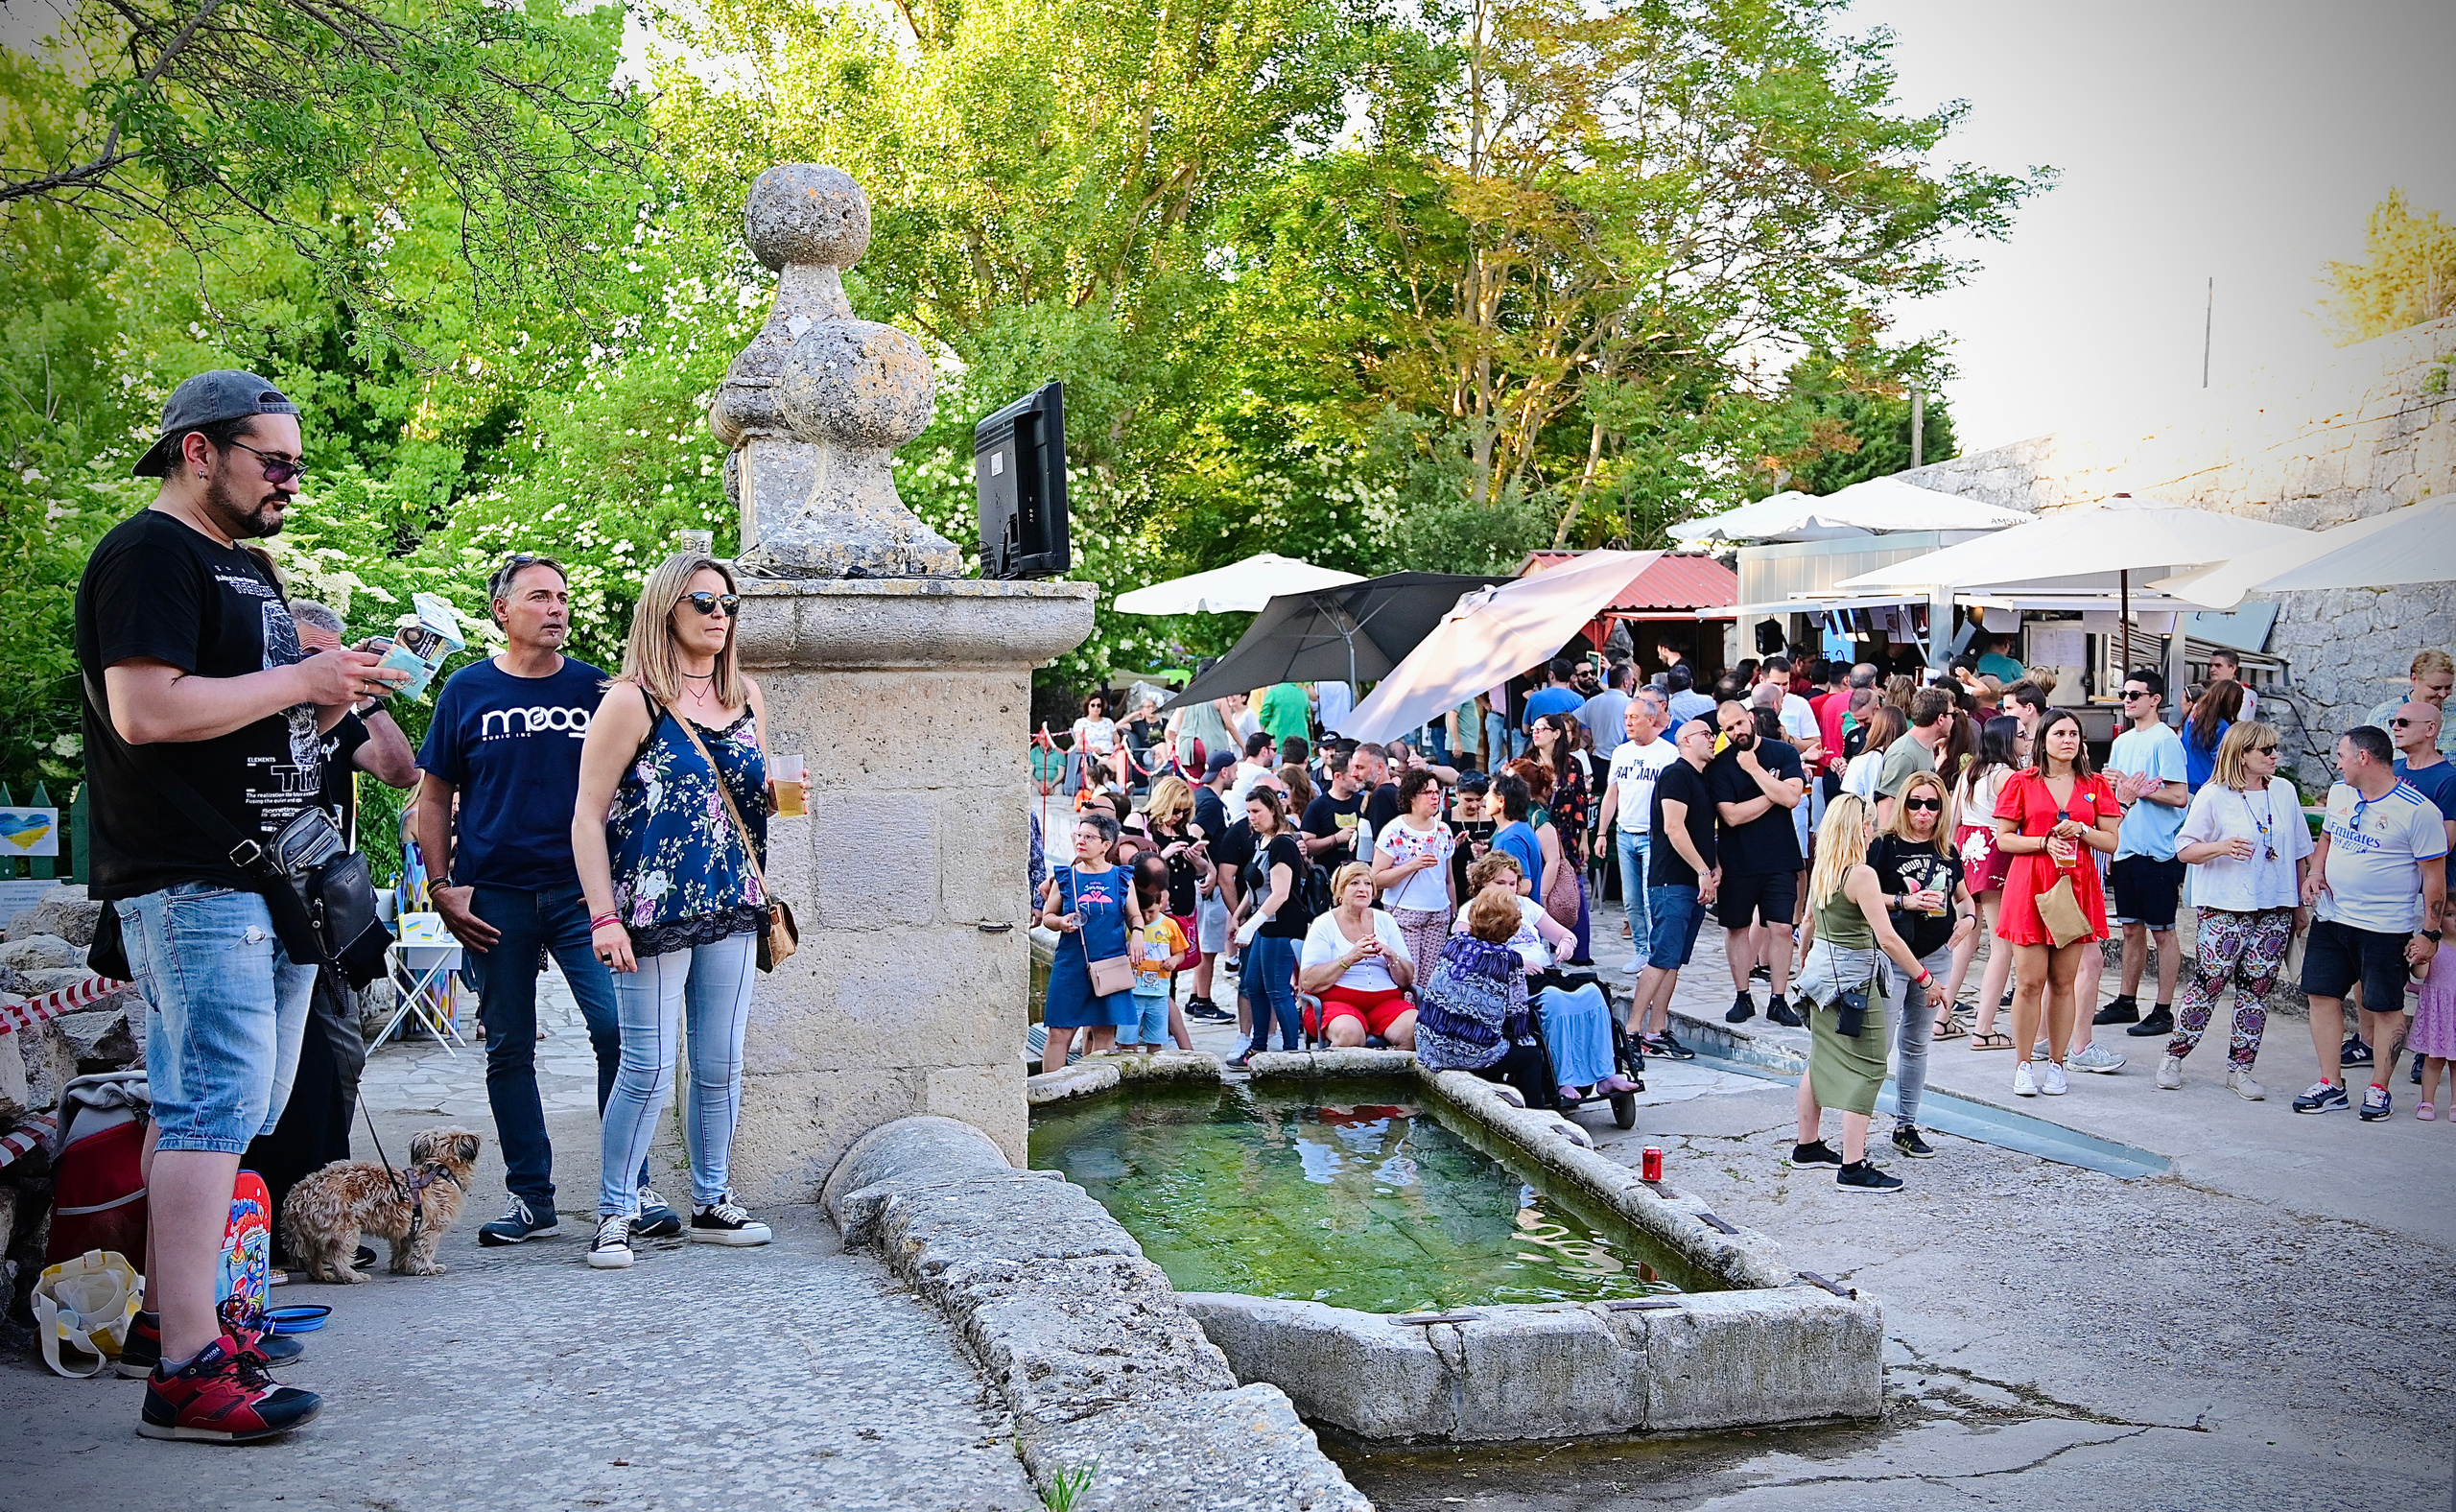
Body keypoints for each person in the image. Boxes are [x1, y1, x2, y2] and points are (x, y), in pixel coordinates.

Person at [78, 371, 407, 1439]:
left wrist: (340, 688)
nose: (290, 483)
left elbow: (262, 725)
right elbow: (145, 709)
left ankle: (194, 1315)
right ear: (197, 452)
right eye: (274, 461)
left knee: (234, 1112)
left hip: (277, 878)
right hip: (191, 876)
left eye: (297, 465)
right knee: (209, 1108)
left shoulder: (249, 569)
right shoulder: (148, 553)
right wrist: (300, 684)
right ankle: (183, 1367)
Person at [419, 553, 673, 1247]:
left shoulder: (599, 689)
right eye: (539, 597)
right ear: (503, 611)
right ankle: (532, 1199)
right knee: (510, 1047)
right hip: (494, 895)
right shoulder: (465, 691)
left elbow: (640, 789)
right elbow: (434, 796)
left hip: (582, 893)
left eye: (562, 596)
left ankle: (631, 1188)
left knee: (617, 1033)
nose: (557, 608)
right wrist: (440, 886)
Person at [571, 553, 795, 1267]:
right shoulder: (631, 700)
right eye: (704, 601)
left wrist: (782, 795)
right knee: (646, 1065)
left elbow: (757, 797)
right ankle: (616, 1211)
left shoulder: (748, 696)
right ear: (666, 607)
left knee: (721, 1060)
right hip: (653, 907)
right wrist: (603, 916)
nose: (719, 614)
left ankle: (711, 1198)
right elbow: (585, 814)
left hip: (733, 901)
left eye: (728, 604)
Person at [243, 600, 418, 1265]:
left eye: (334, 651)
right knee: (276, 1073)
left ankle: (328, 1212)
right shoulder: (263, 711)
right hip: (266, 905)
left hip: (329, 911)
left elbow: (403, 770)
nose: (326, 663)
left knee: (340, 1061)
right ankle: (282, 1221)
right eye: (313, 651)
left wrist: (366, 695)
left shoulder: (337, 716)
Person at [1787, 795, 1946, 1193]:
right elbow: (1888, 938)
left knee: (1820, 1059)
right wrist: (1925, 978)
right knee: (1870, 1065)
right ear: (1859, 828)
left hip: (1820, 978)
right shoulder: (1861, 874)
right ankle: (1853, 1165)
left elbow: (1807, 921)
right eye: (1870, 822)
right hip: (1854, 984)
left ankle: (1807, 1147)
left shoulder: (1824, 867)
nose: (1874, 829)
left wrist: (1804, 956)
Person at [2294, 725, 2448, 1119]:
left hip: (2384, 927)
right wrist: (2315, 874)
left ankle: (2379, 1087)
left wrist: (2430, 933)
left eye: (2342, 755)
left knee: (2385, 1006)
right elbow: (2327, 839)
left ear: (2364, 757)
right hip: (2332, 918)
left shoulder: (2418, 812)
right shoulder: (2342, 794)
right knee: (2321, 996)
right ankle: (2331, 1083)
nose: (2336, 763)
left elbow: (2434, 879)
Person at [2158, 721, 2312, 1099]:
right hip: (2226, 906)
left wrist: (2299, 905)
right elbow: (2184, 849)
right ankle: (2173, 1056)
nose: (2275, 755)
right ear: (2242, 755)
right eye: (2266, 750)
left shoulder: (2285, 792)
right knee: (2209, 984)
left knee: (2257, 991)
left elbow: (2299, 851)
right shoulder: (2213, 795)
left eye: (2275, 748)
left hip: (2274, 906)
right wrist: (2222, 847)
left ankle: (2240, 1069)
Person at [1992, 709, 2122, 1098]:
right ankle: (2023, 1063)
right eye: (2060, 733)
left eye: (2074, 734)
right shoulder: (2021, 782)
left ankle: (2058, 1064)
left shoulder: (2095, 784)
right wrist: (2043, 841)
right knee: (2029, 982)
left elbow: (2111, 841)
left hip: (2075, 885)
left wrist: (2082, 830)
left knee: (2063, 983)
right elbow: (2004, 839)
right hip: (2030, 884)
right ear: (2043, 740)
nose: (2068, 740)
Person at [1452, 854, 1633, 1104]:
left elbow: (1563, 934)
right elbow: (1464, 949)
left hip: (1543, 973)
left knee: (1593, 993)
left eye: (1512, 883)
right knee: (1555, 1000)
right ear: (1483, 883)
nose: (1508, 889)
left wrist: (1567, 944)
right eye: (1500, 883)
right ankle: (1564, 1077)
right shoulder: (1472, 910)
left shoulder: (1526, 906)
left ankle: (1607, 1074)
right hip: (1508, 979)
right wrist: (1512, 962)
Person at [1866, 770, 1974, 1160]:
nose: (1924, 812)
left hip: (1936, 953)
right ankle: (1857, 1125)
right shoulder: (1885, 847)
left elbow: (1964, 898)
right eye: (1916, 803)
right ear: (1903, 805)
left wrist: (1969, 920)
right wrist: (1903, 902)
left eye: (1933, 804)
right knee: (1877, 1043)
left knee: (1916, 1043)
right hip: (1895, 953)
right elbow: (1860, 892)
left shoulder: (1946, 849)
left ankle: (1905, 1124)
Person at [2099, 669, 2190, 1044]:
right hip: (2127, 844)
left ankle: (2165, 1008)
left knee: (2163, 931)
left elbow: (2180, 796)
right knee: (2132, 928)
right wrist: (2117, 789)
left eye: (2136, 694)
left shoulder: (2165, 741)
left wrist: (2138, 790)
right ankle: (2126, 999)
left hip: (2158, 849)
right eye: (2124, 693)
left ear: (2154, 699)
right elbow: (2118, 789)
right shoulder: (2123, 741)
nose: (2128, 699)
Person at [1709, 698, 1807, 1026]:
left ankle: (1778, 999)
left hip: (1780, 856)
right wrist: (1774, 793)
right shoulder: (1720, 766)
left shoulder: (1784, 753)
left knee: (1781, 927)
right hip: (1737, 860)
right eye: (1729, 729)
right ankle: (1742, 996)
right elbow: (1731, 817)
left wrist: (1755, 771)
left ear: (1751, 719)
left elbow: (1793, 798)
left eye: (1740, 723)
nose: (1737, 731)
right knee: (1736, 927)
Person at [1628, 716, 1718, 1060]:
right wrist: (1702, 870)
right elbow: (1674, 828)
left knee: (1675, 960)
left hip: (1694, 879)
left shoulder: (1700, 779)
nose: (1712, 740)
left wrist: (1713, 867)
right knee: (1661, 955)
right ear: (1685, 741)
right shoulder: (1676, 774)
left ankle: (1657, 1029)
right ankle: (1633, 1030)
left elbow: (1701, 829)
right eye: (1706, 734)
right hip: (1672, 879)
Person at [1415, 887, 1549, 1102]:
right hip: (1467, 1052)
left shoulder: (1453, 943)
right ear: (1513, 927)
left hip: (1428, 1044)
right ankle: (1535, 1120)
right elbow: (1518, 1019)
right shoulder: (1509, 960)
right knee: (1531, 1056)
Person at [1039, 809, 1144, 1071]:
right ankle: (1051, 1094)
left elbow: (1135, 916)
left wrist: (1139, 936)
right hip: (1071, 963)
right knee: (1059, 1033)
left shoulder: (1121, 878)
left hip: (1110, 963)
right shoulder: (1066, 877)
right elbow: (1047, 917)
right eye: (1078, 835)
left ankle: (1094, 1095)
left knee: (1104, 1034)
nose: (1080, 841)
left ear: (1106, 845)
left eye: (1089, 837)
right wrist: (1061, 922)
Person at [2390, 702, 2456, 1089]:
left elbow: (2445, 841)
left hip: (2427, 890)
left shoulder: (2447, 778)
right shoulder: (2393, 771)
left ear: (2430, 728)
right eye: (2392, 722)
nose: (2395, 728)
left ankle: (2433, 1049)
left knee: (2435, 977)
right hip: (2393, 892)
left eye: (2402, 722)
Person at [1229, 787, 1315, 1068]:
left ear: (1272, 810)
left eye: (1257, 812)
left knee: (1277, 988)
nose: (1252, 817)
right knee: (1253, 985)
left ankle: (1292, 1052)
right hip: (1265, 923)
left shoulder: (1282, 843)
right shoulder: (1262, 840)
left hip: (1282, 924)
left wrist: (1250, 926)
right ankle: (1258, 1045)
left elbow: (1279, 893)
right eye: (1249, 812)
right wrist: (1239, 914)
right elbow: (1256, 887)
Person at [1953, 717, 2023, 1051]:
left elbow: (1955, 816)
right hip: (1995, 850)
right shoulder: (2008, 776)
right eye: (2021, 736)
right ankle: (1983, 1029)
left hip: (1967, 846)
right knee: (2002, 946)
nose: (2026, 741)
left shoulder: (1972, 770)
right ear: (2008, 741)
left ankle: (1942, 1017)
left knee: (1966, 934)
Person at [1599, 693, 1679, 975]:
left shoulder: (1668, 753)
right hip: (1624, 832)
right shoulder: (1621, 753)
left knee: (1650, 898)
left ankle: (1657, 953)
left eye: (1634, 717)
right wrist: (1601, 833)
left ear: (1651, 719)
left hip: (1653, 834)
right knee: (1630, 898)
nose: (1628, 723)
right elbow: (1612, 794)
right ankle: (1641, 950)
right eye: (1626, 718)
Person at [1299, 862, 1420, 1049]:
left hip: (1385, 1002)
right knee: (1351, 1035)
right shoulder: (1324, 924)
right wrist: (1350, 958)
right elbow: (1308, 982)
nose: (1362, 889)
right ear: (1339, 891)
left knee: (1417, 1029)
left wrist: (1390, 954)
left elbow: (1406, 979)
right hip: (1335, 1003)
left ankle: (1389, 1076)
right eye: (1354, 883)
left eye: (1368, 884)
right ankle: (1338, 1077)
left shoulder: (1385, 920)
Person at [1371, 768, 1458, 974]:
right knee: (1408, 974)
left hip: (1438, 912)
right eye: (1428, 793)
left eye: (1437, 792)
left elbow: (1448, 879)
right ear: (1412, 797)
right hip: (1405, 911)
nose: (1435, 798)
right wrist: (1412, 865)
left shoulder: (1443, 829)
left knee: (1429, 977)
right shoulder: (1394, 831)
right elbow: (1376, 878)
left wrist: (1453, 913)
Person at [1185, 750, 1240, 1022]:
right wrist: (1210, 868)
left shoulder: (1204, 797)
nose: (1237, 774)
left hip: (1211, 884)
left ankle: (1196, 997)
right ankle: (1204, 1003)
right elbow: (1193, 834)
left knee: (1207, 945)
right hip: (1211, 888)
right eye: (1235, 769)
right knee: (1207, 948)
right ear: (1224, 772)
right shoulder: (1210, 803)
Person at [1528, 714, 1592, 950]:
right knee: (1538, 885)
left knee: (1570, 888)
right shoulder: (1526, 764)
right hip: (1536, 833)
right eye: (1533, 728)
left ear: (1556, 733)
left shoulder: (1572, 764)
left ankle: (1576, 948)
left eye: (1541, 728)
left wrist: (1584, 837)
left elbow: (1580, 802)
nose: (1535, 732)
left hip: (1566, 835)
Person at [1122, 854, 1193, 1051]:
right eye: (1141, 912)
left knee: (1157, 1038)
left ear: (1161, 904)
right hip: (1132, 991)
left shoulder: (1169, 925)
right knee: (1127, 1038)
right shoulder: (1130, 925)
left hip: (1159, 991)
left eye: (1151, 912)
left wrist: (1173, 960)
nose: (1145, 917)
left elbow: (1181, 952)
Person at [1874, 685, 1952, 828]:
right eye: (1953, 715)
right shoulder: (1905, 753)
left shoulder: (1924, 746)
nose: (1954, 720)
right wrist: (1886, 845)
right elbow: (1887, 802)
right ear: (1941, 719)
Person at [2366, 649, 2455, 757]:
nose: (2443, 694)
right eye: (2436, 688)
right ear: (2414, 679)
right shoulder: (2382, 715)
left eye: (2448, 687)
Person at [2183, 679, 2241, 795]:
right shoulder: (2221, 726)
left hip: (2187, 783)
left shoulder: (2193, 717)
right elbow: (2225, 762)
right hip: (2209, 786)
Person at [1842, 703, 1905, 806]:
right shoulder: (1908, 758)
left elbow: (1850, 801)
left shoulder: (1860, 761)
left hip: (1867, 816)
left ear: (1875, 728)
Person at [1449, 772, 1498, 902]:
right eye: (1468, 800)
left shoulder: (1493, 817)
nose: (1474, 805)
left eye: (1479, 799)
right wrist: (1453, 845)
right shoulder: (1443, 818)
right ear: (1457, 794)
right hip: (1455, 884)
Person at [1070, 692, 1129, 793]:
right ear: (1087, 706)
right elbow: (1079, 745)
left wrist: (1117, 746)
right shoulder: (1081, 723)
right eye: (1093, 705)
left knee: (1122, 753)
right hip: (1096, 757)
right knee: (1123, 765)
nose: (1096, 708)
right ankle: (1122, 789)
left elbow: (1117, 741)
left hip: (1112, 755)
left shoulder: (1108, 722)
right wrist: (1091, 749)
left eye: (1099, 705)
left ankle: (1120, 789)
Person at [1581, 664, 1632, 757]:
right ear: (1626, 682)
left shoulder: (1592, 702)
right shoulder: (1631, 704)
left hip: (1598, 759)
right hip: (1622, 759)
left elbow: (1571, 721)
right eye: (1632, 680)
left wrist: (1585, 748)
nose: (1633, 683)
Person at [1523, 657, 1583, 733]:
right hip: (1567, 743)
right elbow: (1584, 730)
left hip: (1541, 742)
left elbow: (1525, 729)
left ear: (1551, 675)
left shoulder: (1535, 697)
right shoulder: (1578, 699)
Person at [2206, 647, 2258, 722]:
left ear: (2233, 668)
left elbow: (2239, 724)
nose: (2212, 669)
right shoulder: (2207, 691)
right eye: (2210, 665)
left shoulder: (2244, 693)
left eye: (2218, 665)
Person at [1228, 728, 1276, 808]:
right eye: (1274, 750)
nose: (1276, 754)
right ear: (1264, 750)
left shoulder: (1238, 768)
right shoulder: (1262, 774)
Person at [1258, 680, 1312, 746]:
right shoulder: (1303, 694)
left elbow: (1264, 718)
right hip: (1301, 739)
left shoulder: (1272, 694)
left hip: (1278, 739)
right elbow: (1306, 716)